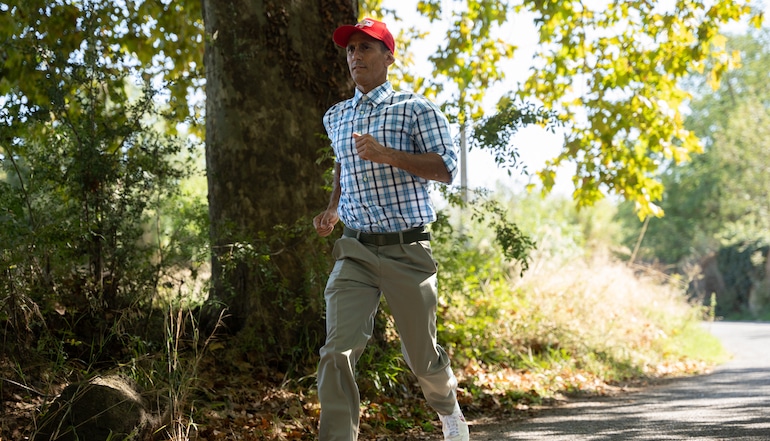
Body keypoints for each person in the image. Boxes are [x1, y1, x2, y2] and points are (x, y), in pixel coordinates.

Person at [312, 17, 470, 441]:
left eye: (366, 48)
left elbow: (446, 169)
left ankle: (449, 411)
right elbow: (342, 166)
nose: (355, 56)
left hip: (407, 250)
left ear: (388, 57)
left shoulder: (416, 109)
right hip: (355, 251)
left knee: (422, 358)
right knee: (336, 353)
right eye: (350, 49)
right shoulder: (337, 116)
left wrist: (388, 155)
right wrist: (333, 208)